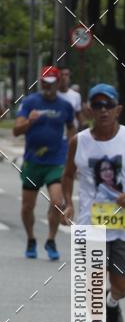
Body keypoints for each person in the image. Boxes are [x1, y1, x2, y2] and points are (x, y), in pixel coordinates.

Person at [61, 84, 125, 322]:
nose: (103, 110)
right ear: (89, 110)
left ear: (118, 109)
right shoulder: (78, 142)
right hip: (90, 223)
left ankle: (112, 303)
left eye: (108, 105)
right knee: (93, 281)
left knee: (121, 286)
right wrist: (68, 203)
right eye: (97, 105)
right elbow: (68, 174)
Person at [13, 65, 76, 260]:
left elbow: (72, 129)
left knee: (57, 202)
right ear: (40, 82)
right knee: (27, 207)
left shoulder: (65, 106)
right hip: (33, 162)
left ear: (58, 83)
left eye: (51, 83)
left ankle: (51, 239)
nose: (47, 87)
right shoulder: (30, 102)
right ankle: (31, 239)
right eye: (44, 83)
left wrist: (73, 153)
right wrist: (29, 121)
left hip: (56, 161)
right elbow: (16, 131)